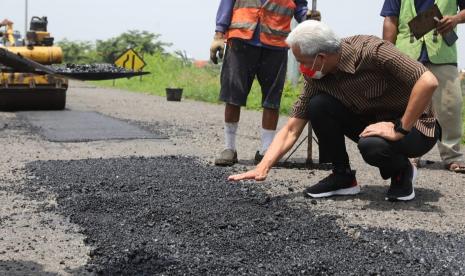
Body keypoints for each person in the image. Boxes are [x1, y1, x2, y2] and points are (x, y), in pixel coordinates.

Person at [229, 20, 440, 202]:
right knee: (318, 105)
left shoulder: (371, 50)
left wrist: (399, 128)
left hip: (416, 127)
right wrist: (263, 166)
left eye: (302, 62)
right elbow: (292, 128)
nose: (302, 68)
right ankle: (343, 176)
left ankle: (402, 171)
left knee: (372, 146)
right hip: (373, 124)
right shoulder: (317, 77)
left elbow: (428, 81)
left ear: (321, 57)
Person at [210, 0, 320, 166]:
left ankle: (266, 149)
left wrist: (308, 16)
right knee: (233, 94)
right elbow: (227, 3)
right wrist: (218, 34)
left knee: (272, 98)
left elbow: (300, 7)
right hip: (241, 38)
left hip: (276, 43)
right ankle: (229, 148)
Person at [381, 0, 465, 173]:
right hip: (407, 55)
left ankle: (453, 156)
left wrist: (456, 19)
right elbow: (390, 20)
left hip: (443, 54)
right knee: (409, 107)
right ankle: (410, 153)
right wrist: (387, 55)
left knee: (450, 106)